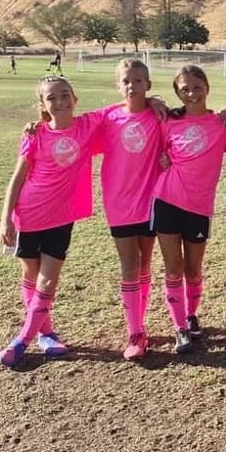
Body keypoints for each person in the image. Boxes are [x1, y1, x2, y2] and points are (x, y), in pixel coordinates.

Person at [0, 76, 108, 366]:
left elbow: (123, 108)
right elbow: (18, 177)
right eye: (52, 98)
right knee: (31, 277)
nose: (60, 102)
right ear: (43, 105)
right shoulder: (36, 134)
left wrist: (153, 101)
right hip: (28, 214)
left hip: (61, 218)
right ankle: (46, 335)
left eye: (64, 95)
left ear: (74, 98)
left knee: (49, 279)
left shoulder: (87, 126)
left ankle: (22, 339)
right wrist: (5, 218)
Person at [150, 65, 226, 355]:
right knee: (173, 268)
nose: (192, 93)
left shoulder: (221, 122)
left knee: (193, 269)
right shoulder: (168, 121)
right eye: (185, 89)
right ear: (178, 93)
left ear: (207, 87)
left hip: (199, 207)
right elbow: (155, 151)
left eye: (197, 87)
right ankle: (180, 327)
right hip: (167, 200)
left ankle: (192, 314)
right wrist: (152, 101)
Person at [95, 59, 164, 360]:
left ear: (148, 84)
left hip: (150, 201)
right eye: (125, 80)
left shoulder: (159, 116)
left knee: (145, 263)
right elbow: (70, 126)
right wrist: (40, 122)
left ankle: (141, 321)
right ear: (117, 85)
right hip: (119, 202)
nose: (131, 86)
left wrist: (156, 103)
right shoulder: (107, 118)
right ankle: (135, 331)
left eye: (138, 80)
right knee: (129, 263)